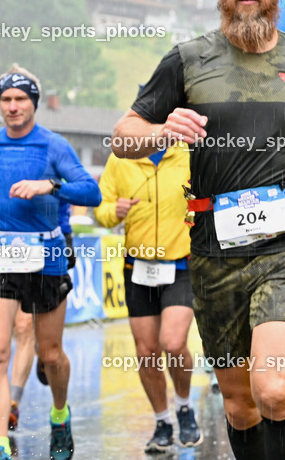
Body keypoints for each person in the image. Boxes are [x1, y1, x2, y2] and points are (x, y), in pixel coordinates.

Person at [112, 0, 285, 460]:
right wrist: (158, 132)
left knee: (273, 389)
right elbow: (123, 135)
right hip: (214, 253)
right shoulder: (187, 60)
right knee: (241, 405)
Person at [0, 65, 101, 460]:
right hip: (0, 255)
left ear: (34, 104)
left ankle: (59, 414)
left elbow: (92, 192)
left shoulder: (53, 146)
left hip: (47, 257)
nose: (13, 106)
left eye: (21, 99)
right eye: (6, 99)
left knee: (50, 354)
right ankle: (0, 445)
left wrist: (51, 185)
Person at [95, 142, 202, 453]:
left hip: (181, 264)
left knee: (172, 342)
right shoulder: (121, 157)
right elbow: (101, 209)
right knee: (146, 351)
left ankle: (183, 406)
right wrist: (112, 212)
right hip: (138, 268)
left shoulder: (188, 154)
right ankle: (162, 421)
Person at [0, 188, 73, 433]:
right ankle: (10, 411)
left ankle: (33, 404)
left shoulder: (48, 151)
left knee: (36, 339)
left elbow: (62, 192)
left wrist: (66, 233)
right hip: (3, 253)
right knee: (8, 340)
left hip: (43, 253)